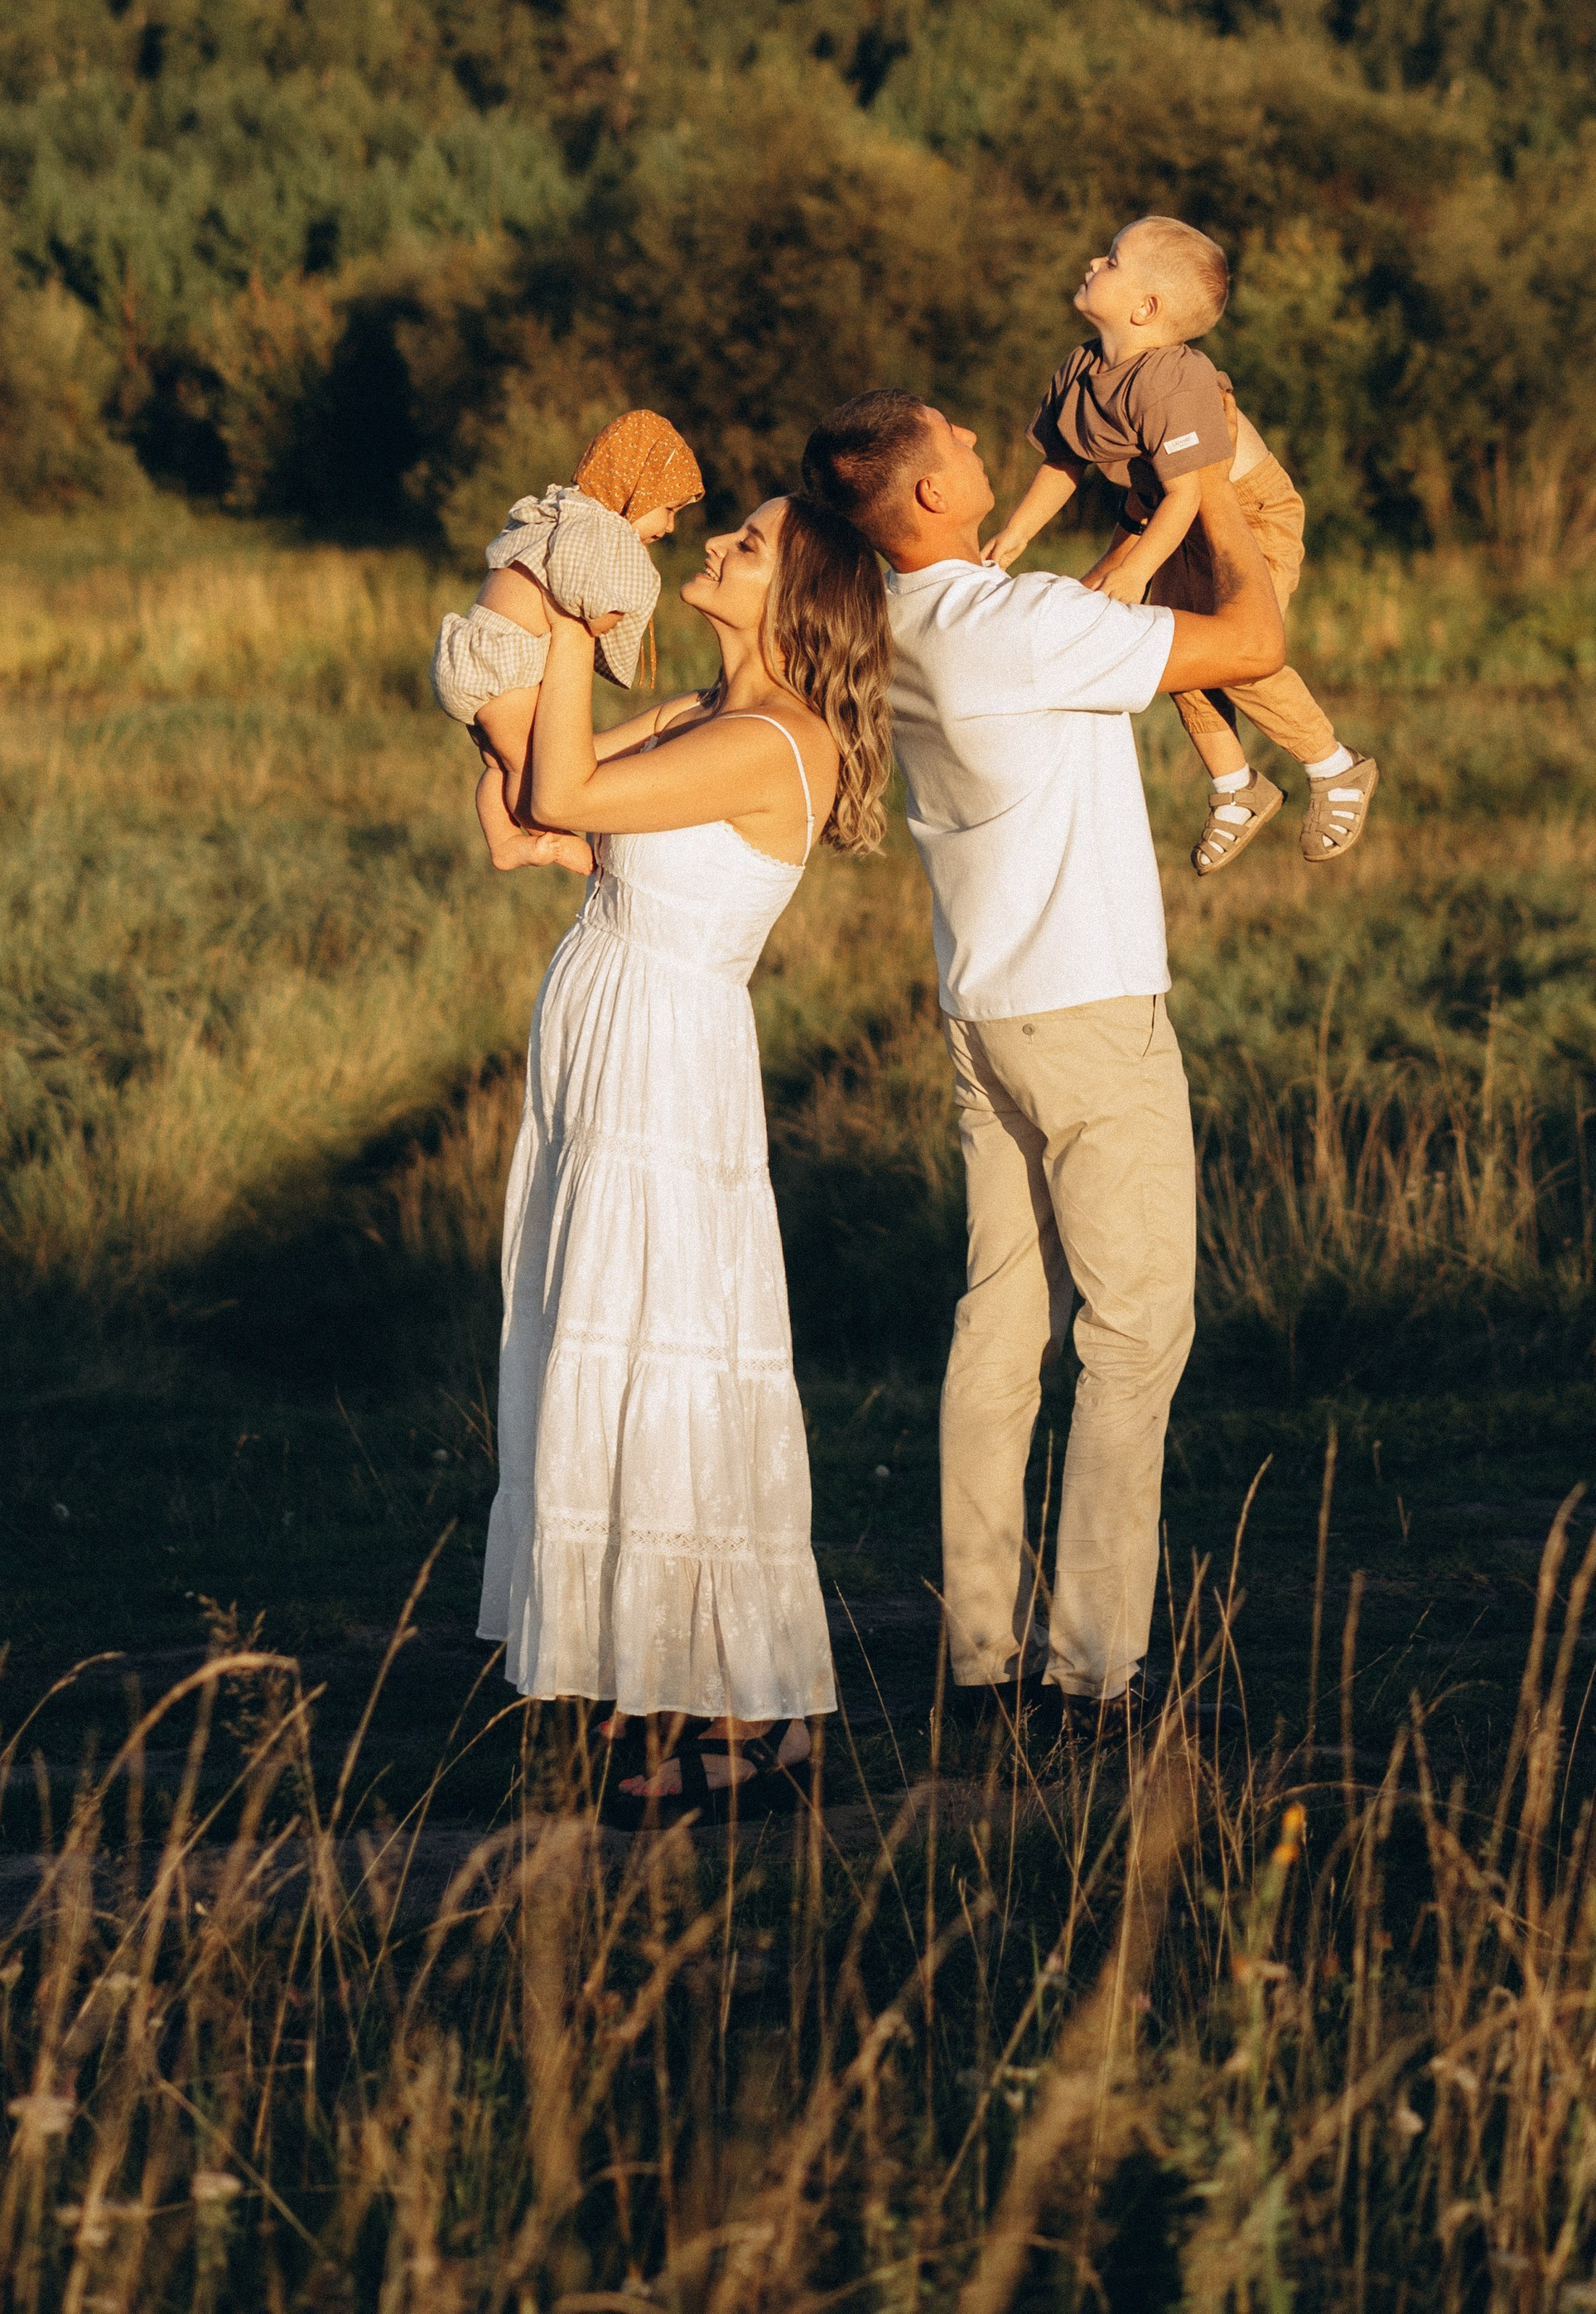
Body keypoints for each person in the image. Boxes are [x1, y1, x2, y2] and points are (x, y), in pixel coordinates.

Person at [803, 387, 1283, 1725]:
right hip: (1085, 1009)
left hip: (983, 1011)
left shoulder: (898, 624)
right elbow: (1253, 637)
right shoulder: (1015, 626)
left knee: (1000, 1323)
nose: (976, 441)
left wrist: (1129, 546)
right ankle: (1092, 1669)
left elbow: (1078, 619)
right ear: (935, 500)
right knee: (1134, 1337)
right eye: (953, 439)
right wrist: (1221, 492)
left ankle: (979, 1652)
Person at [478, 489, 892, 1825]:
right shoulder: (703, 719)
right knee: (611, 1338)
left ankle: (753, 1715)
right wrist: (521, 611)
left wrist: (581, 615)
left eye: (748, 545)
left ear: (797, 597)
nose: (716, 550)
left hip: (667, 1067)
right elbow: (524, 827)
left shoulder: (775, 739)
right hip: (607, 1049)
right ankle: (673, 1679)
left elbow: (565, 785)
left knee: (672, 1360)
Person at [985, 217, 1378, 875]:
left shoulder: (1174, 378)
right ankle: (1236, 787)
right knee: (1175, 654)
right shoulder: (1084, 367)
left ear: (1146, 308)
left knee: (1237, 651)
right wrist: (1017, 535)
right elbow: (1062, 462)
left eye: (1110, 260)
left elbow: (1193, 493)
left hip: (1246, 517)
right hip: (1166, 517)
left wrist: (1137, 568)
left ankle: (1335, 767)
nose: (1092, 262)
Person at [430, 410, 706, 875]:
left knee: (502, 763)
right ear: (638, 489)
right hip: (504, 666)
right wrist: (609, 616)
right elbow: (582, 596)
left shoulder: (557, 511)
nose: (671, 526)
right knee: (534, 771)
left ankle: (502, 842)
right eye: (670, 509)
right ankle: (553, 840)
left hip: (475, 653)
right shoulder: (598, 529)